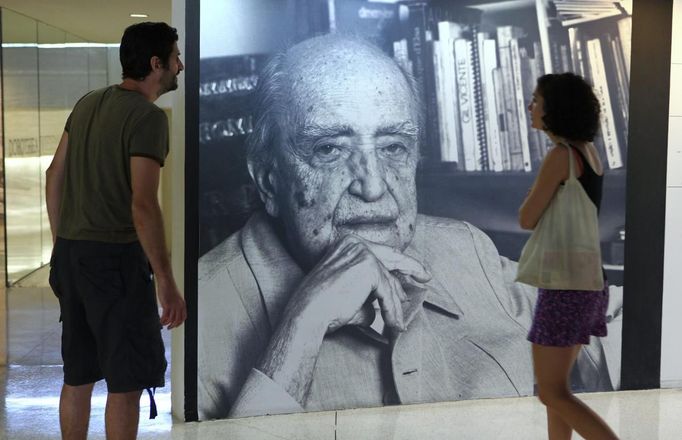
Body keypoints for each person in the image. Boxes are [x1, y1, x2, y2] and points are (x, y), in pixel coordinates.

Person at [198, 34, 621, 420]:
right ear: (269, 180)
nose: (373, 185)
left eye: (393, 147)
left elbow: (607, 336)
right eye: (329, 149)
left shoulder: (465, 248)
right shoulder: (198, 317)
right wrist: (302, 325)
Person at [45, 22, 187, 440]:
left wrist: (62, 246)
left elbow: (54, 174)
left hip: (73, 255)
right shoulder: (147, 117)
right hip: (115, 263)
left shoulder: (88, 103)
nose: (180, 66)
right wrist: (166, 281)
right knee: (125, 382)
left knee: (79, 375)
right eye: (175, 58)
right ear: (156, 63)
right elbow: (143, 205)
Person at [519, 72, 619, 439]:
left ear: (554, 108)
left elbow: (527, 218)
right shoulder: (588, 152)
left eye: (536, 100)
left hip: (565, 287)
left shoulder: (560, 156)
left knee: (551, 391)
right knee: (559, 390)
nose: (530, 107)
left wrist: (535, 190)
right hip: (589, 282)